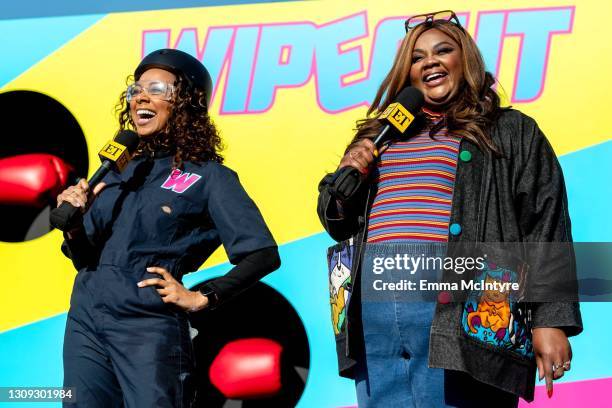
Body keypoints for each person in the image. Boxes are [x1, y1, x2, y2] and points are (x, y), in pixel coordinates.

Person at [317, 10, 582, 407]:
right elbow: (336, 224)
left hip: (461, 297)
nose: (430, 62)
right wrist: (346, 175)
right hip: (376, 306)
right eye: (418, 57)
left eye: (443, 50)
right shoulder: (380, 135)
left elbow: (545, 223)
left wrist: (550, 319)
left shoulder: (509, 129)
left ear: (466, 61)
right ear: (407, 74)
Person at [58, 49, 280, 407]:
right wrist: (73, 224)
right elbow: (84, 258)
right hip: (85, 320)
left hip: (147, 325)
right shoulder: (116, 171)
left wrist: (202, 298)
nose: (141, 97)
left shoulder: (209, 177)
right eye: (136, 89)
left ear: (188, 102)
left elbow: (262, 254)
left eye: (157, 88)